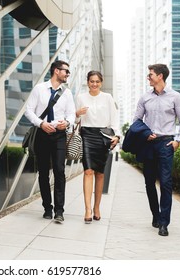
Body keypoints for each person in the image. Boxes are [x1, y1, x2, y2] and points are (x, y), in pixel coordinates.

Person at [133, 63, 180, 236]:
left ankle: (164, 223)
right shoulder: (144, 98)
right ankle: (155, 215)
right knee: (149, 182)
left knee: (165, 183)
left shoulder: (175, 97)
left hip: (166, 143)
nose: (148, 77)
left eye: (150, 74)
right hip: (148, 144)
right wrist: (144, 135)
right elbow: (136, 121)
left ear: (160, 76)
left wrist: (178, 140)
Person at [24, 60, 76, 223]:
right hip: (42, 134)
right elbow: (28, 110)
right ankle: (48, 207)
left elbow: (72, 114)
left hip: (59, 135)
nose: (68, 74)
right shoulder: (39, 89)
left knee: (60, 171)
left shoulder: (66, 93)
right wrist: (41, 123)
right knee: (44, 172)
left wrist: (66, 123)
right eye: (65, 71)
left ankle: (59, 211)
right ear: (56, 71)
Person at [75, 70, 120, 224]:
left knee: (100, 173)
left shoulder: (107, 98)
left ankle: (97, 207)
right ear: (87, 82)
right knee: (88, 171)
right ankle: (87, 209)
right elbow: (74, 120)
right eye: (91, 81)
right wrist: (77, 113)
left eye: (97, 81)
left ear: (101, 83)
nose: (94, 84)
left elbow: (114, 119)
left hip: (104, 136)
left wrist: (117, 136)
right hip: (87, 134)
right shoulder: (81, 97)